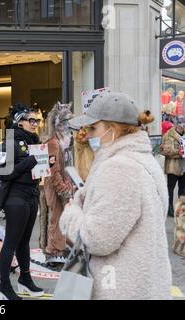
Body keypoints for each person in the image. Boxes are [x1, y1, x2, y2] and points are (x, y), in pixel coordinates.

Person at [61, 92, 172, 300]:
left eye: (94, 128)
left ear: (113, 129)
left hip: (121, 288)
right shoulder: (144, 160)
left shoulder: (119, 167)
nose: (88, 135)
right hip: (145, 284)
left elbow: (97, 239)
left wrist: (70, 216)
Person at [0, 104, 44, 300]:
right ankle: (4, 286)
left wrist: (44, 163)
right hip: (16, 198)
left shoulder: (33, 141)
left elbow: (32, 167)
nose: (35, 124)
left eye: (37, 121)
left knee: (24, 242)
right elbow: (3, 172)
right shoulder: (10, 141)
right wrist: (31, 161)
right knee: (11, 243)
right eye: (31, 120)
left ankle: (25, 280)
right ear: (20, 122)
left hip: (31, 195)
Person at [42, 102, 75, 265]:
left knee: (63, 217)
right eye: (66, 122)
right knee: (56, 218)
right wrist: (61, 187)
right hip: (55, 185)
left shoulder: (64, 140)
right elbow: (53, 168)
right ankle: (53, 250)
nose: (68, 125)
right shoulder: (53, 142)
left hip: (63, 183)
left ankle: (60, 246)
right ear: (58, 123)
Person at [161, 122, 185, 217]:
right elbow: (164, 150)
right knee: (170, 189)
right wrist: (178, 152)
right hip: (173, 168)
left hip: (184, 168)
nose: (182, 126)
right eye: (181, 124)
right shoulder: (168, 135)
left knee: (183, 190)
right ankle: (169, 209)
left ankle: (181, 209)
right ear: (177, 125)